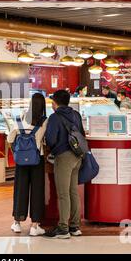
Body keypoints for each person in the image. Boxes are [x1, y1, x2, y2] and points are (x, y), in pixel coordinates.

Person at [44, 89, 85, 239]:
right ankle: (75, 226)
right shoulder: (76, 114)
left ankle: (63, 228)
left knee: (63, 194)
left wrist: (54, 149)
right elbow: (82, 133)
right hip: (77, 157)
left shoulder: (55, 118)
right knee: (73, 191)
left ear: (55, 103)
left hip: (63, 157)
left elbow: (50, 139)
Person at [7, 93, 49, 236]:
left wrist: (17, 152)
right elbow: (46, 139)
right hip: (37, 158)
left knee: (20, 190)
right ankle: (34, 226)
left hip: (21, 161)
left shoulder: (19, 120)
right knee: (37, 191)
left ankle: (17, 223)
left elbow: (10, 138)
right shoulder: (44, 121)